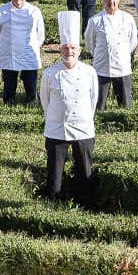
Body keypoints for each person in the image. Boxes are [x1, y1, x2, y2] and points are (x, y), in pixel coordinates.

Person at [40, 11, 99, 202]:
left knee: (85, 173)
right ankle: (52, 206)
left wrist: (84, 117)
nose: (69, 52)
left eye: (73, 48)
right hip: (57, 129)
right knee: (54, 177)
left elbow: (93, 99)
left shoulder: (89, 72)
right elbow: (45, 101)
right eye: (66, 48)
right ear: (60, 50)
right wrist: (55, 118)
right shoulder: (50, 73)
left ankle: (87, 206)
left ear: (79, 50)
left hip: (83, 128)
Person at [84, 0, 138, 110]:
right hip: (102, 67)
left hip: (122, 67)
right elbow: (89, 42)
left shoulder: (128, 18)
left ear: (119, 0)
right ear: (104, 1)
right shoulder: (95, 21)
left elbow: (133, 41)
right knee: (98, 105)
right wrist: (101, 54)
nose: (111, 2)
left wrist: (123, 53)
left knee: (125, 106)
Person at [0, 0, 44, 105]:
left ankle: (32, 103)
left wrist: (32, 47)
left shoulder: (34, 11)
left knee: (31, 85)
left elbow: (40, 35)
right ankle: (9, 104)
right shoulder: (1, 11)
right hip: (9, 54)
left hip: (28, 54)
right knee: (9, 86)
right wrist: (6, 47)